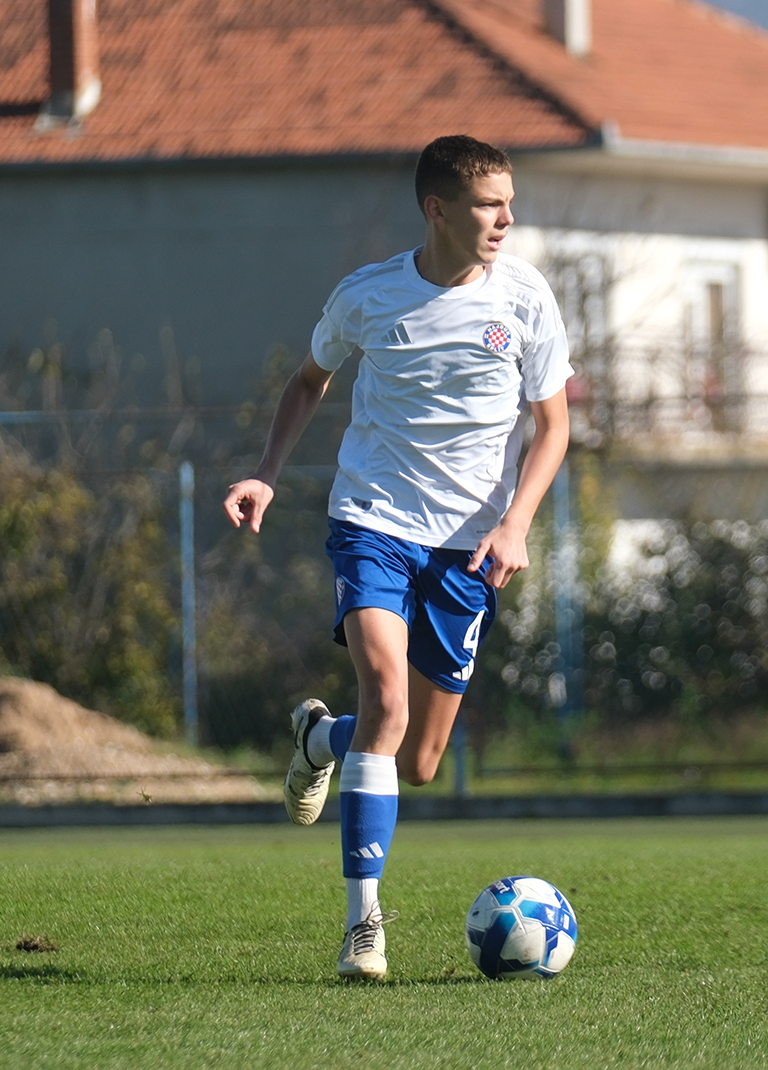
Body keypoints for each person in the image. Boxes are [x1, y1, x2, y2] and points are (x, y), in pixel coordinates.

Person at [222, 134, 571, 981]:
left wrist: (517, 522)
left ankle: (318, 738)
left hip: (470, 548)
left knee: (415, 760)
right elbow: (310, 381)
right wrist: (266, 474)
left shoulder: (526, 297)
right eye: (490, 204)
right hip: (373, 521)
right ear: (438, 209)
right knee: (385, 696)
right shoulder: (369, 295)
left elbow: (554, 425)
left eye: (509, 202)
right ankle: (362, 926)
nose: (506, 218)